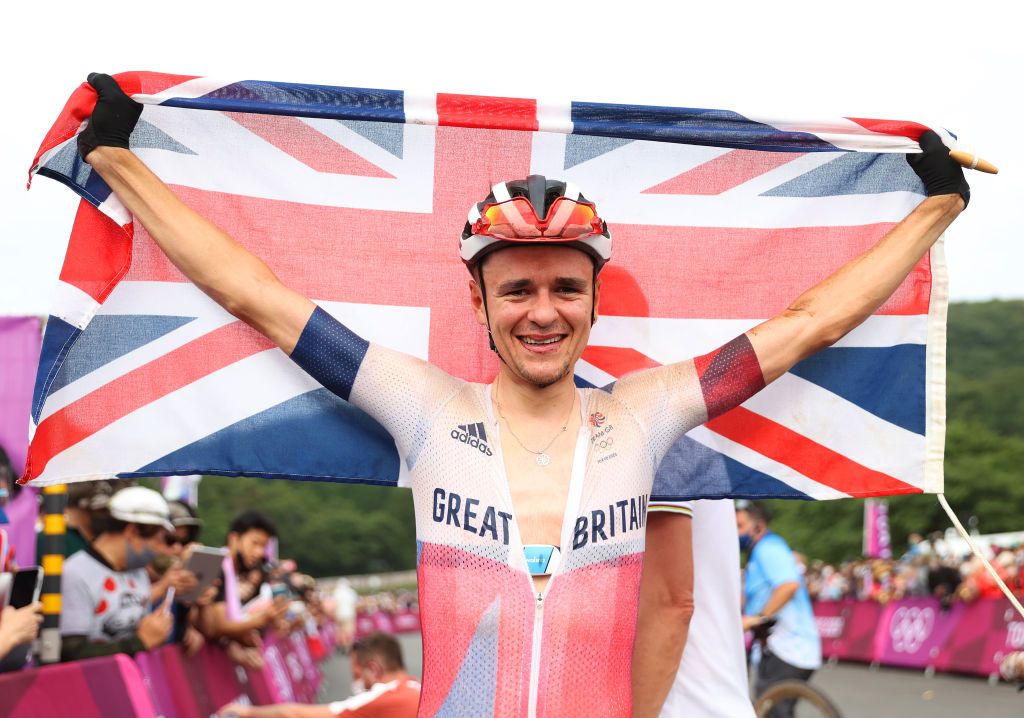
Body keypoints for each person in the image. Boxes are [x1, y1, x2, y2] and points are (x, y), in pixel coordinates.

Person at [77, 72, 967, 715]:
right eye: (517, 290)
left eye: (565, 289)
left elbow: (808, 323)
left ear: (594, 300)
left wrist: (932, 210)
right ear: (479, 301)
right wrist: (120, 161)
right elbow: (255, 295)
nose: (542, 314)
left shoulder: (642, 415)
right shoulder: (423, 406)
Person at [635, 500, 754, 717]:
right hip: (706, 698)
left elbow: (669, 605)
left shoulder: (669, 466)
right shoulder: (708, 471)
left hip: (681, 703)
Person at [60, 485, 175, 660]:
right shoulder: (75, 573)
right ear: (132, 532)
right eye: (159, 539)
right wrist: (140, 642)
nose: (161, 549)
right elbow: (72, 651)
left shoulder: (139, 574)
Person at [737, 501, 821, 718]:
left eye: (740, 526)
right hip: (776, 648)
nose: (735, 533)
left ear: (759, 526)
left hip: (790, 648)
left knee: (773, 710)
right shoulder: (757, 554)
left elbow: (788, 585)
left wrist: (759, 618)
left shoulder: (769, 548)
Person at [218, 632, 420, 718]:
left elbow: (296, 715)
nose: (356, 681)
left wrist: (248, 713)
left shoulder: (384, 695)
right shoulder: (417, 687)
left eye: (357, 674)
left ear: (374, 669)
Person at [197, 510, 288, 644]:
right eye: (255, 543)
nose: (259, 553)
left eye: (263, 546)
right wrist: (262, 619)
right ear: (234, 539)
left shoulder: (233, 572)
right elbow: (219, 626)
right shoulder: (217, 567)